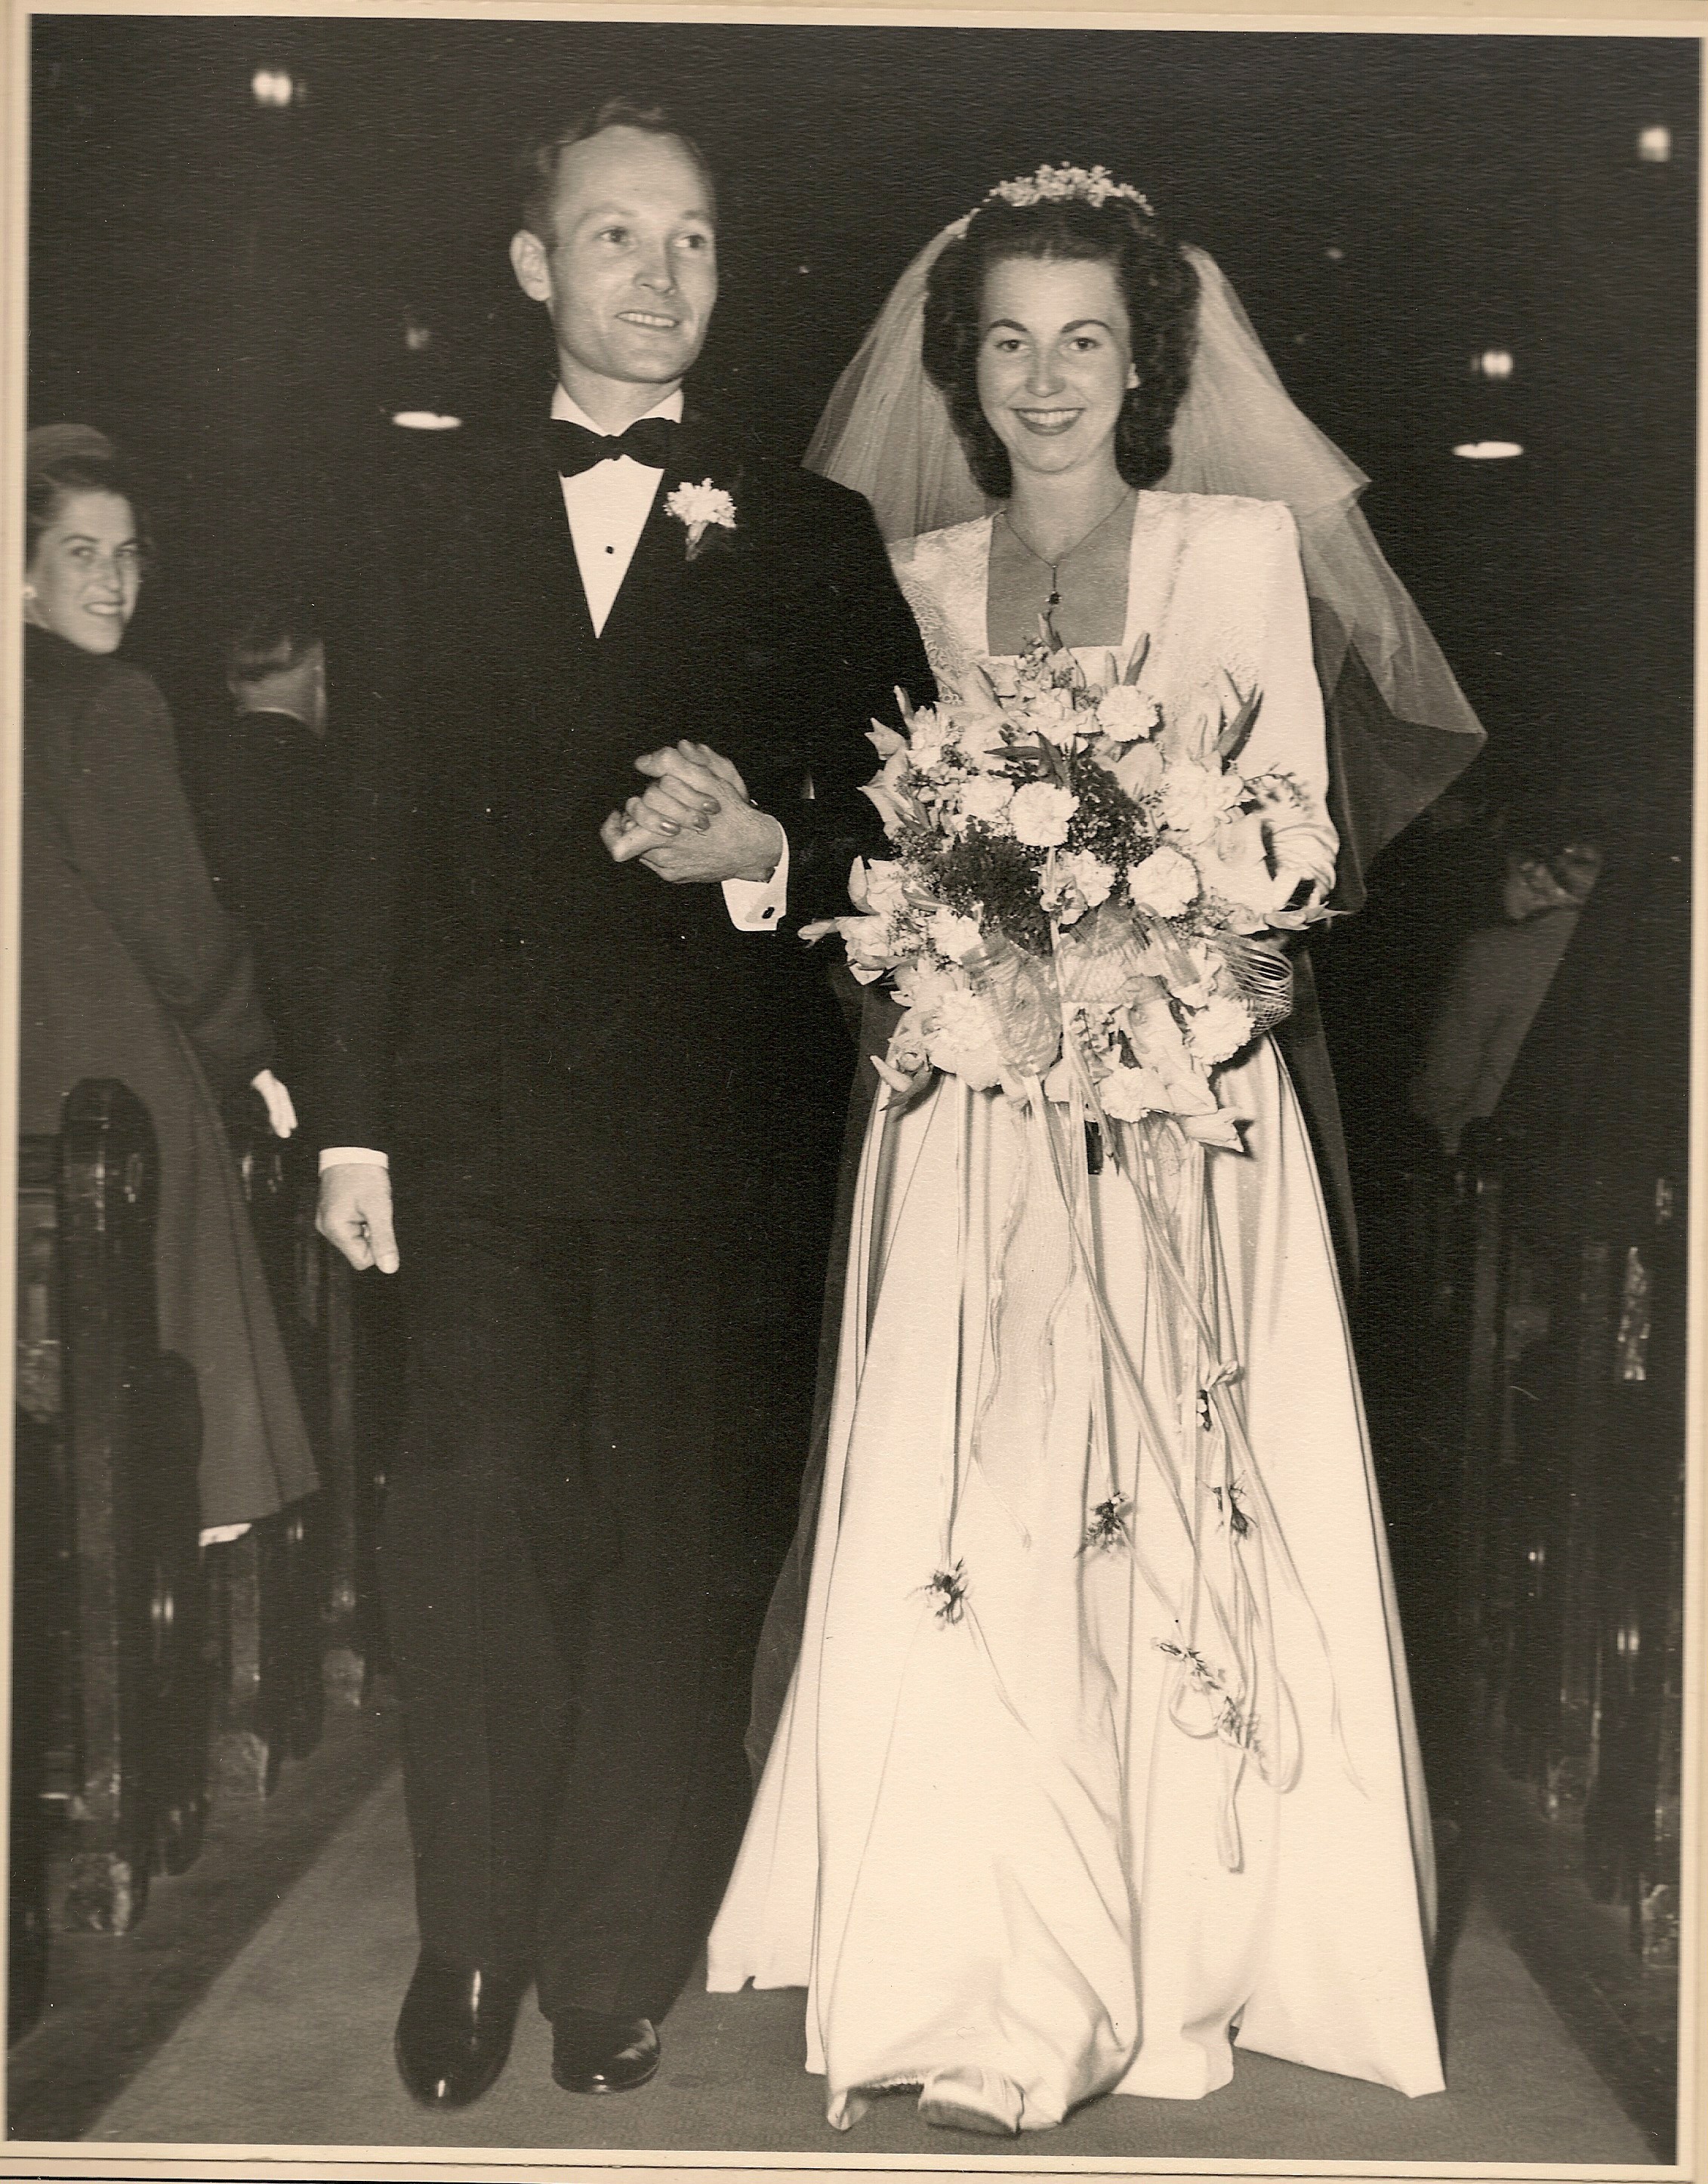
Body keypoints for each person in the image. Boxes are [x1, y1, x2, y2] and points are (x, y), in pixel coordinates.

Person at [705, 170, 1471, 2134]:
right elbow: (885, 848)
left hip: (1177, 1101)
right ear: (962, 370)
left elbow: (1291, 830)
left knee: (1161, 1498)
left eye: (1083, 342)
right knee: (982, 1492)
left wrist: (1166, 931)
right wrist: (951, 946)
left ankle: (1170, 1942)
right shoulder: (918, 577)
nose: (1044, 380)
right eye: (1008, 344)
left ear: (1143, 366)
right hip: (973, 1104)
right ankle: (980, 1958)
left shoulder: (1233, 547)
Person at [311, 100, 932, 2109]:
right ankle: (473, 1941)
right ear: (532, 267)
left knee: (677, 1540)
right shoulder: (416, 514)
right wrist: (350, 1126)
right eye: (612, 235)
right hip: (477, 1123)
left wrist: (770, 846)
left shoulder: (813, 530)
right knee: (477, 1518)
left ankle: (608, 1955)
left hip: (714, 1131)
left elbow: (913, 826)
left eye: (691, 239)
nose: (657, 276)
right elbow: (364, 832)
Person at [18, 423, 316, 1535]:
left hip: (27, 1097)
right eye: (81, 553)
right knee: (184, 1435)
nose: (113, 580)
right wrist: (255, 1059)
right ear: (22, 570)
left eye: (128, 553)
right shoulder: (110, 700)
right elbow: (180, 935)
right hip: (119, 1090)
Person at [198, 598, 336, 1089]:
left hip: (215, 1036)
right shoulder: (332, 782)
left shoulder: (190, 765)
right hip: (303, 1044)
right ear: (319, 670)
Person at [1410, 811, 1604, 1155]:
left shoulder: (1495, 953)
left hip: (1484, 1152)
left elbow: (1442, 1087)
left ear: (1533, 871)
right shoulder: (1622, 956)